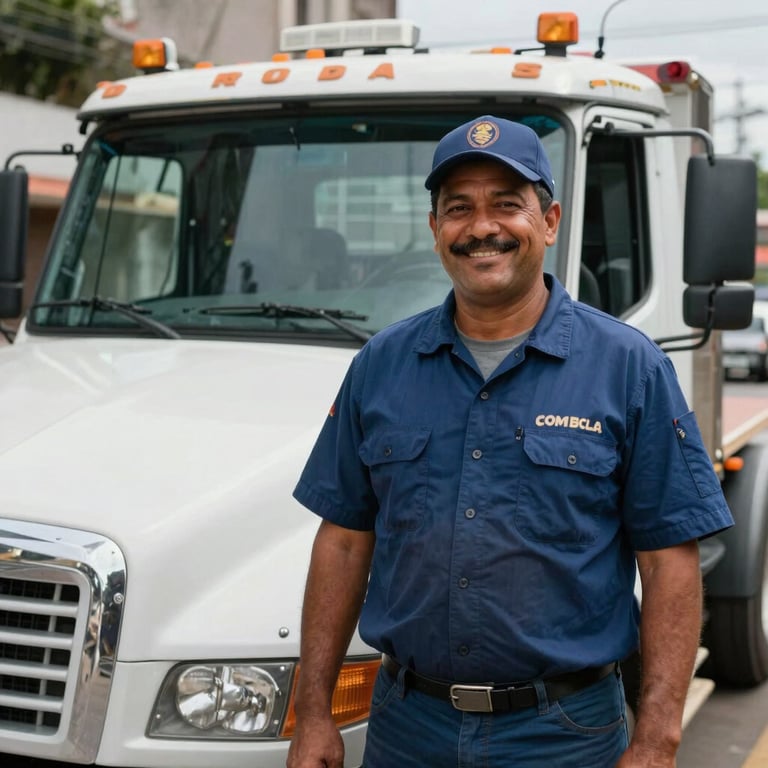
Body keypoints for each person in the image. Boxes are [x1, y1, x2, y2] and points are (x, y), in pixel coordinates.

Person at [286, 115, 734, 768]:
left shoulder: (628, 367)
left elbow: (669, 560)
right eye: (459, 208)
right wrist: (314, 712)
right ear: (436, 228)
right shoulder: (380, 365)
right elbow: (345, 540)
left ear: (549, 221)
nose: (482, 227)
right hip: (408, 730)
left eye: (507, 204)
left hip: (564, 735)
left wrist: (658, 737)